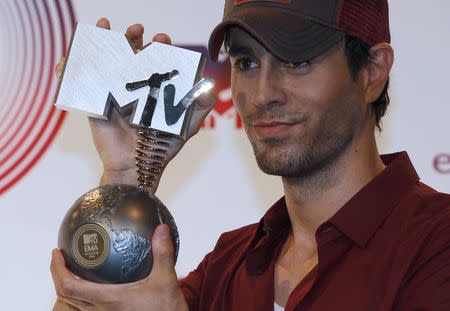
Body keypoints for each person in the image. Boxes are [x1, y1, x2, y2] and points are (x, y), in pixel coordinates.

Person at [51, 1, 450, 310]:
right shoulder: (229, 263)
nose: (262, 94)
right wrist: (126, 182)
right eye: (246, 62)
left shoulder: (435, 243)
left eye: (297, 62)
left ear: (373, 72)